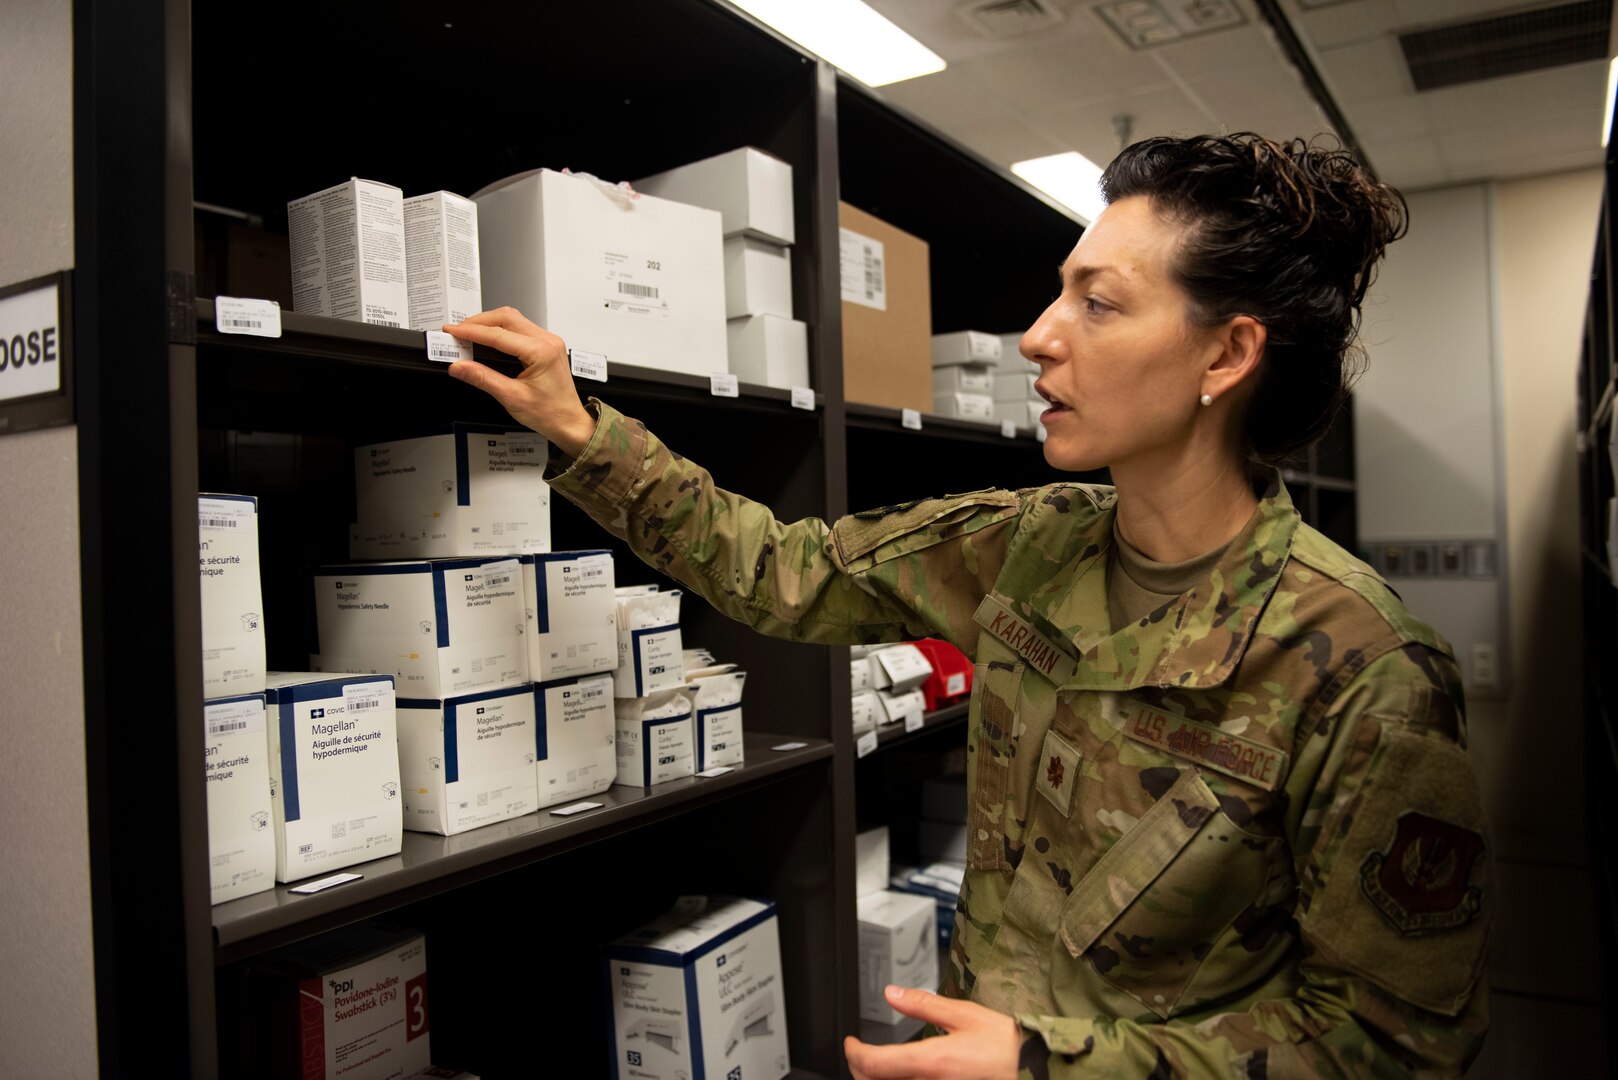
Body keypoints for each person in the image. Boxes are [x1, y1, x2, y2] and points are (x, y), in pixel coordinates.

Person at [443, 133, 1490, 1079]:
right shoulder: (1028, 542)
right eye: (1056, 294)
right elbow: (783, 570)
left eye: (1099, 302)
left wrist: (1045, 1066)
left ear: (1225, 355)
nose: (1038, 336)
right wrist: (579, 428)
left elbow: (1392, 1044)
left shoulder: (1366, 669)